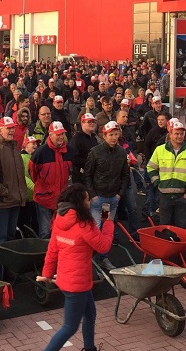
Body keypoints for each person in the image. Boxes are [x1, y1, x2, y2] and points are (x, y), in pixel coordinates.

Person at [24, 184, 113, 351]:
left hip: (68, 278)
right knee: (69, 327)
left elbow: (53, 250)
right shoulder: (84, 224)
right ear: (80, 203)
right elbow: (104, 246)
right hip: (77, 283)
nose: (89, 202)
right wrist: (109, 223)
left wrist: (47, 274)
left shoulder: (59, 218)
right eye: (87, 199)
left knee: (90, 314)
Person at [0, 117, 27, 279]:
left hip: (15, 201)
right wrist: (6, 193)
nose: (11, 131)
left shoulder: (14, 147)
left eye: (12, 128)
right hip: (3, 202)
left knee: (9, 240)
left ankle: (7, 273)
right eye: (7, 128)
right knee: (0, 241)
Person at [83, 121, 130, 271]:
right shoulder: (95, 152)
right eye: (111, 135)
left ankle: (102, 259)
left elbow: (125, 175)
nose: (114, 137)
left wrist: (119, 194)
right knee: (96, 230)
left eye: (116, 134)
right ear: (104, 135)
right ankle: (89, 261)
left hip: (112, 199)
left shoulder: (122, 153)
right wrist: (93, 195)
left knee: (106, 230)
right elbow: (88, 174)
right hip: (99, 198)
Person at [147, 119, 186, 228]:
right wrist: (158, 183)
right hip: (164, 196)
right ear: (170, 134)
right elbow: (151, 168)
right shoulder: (159, 150)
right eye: (176, 133)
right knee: (164, 226)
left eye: (181, 134)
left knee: (181, 227)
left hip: (182, 196)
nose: (179, 136)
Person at [29, 121, 74, 239]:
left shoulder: (69, 150)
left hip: (61, 198)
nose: (60, 137)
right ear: (50, 134)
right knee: (45, 231)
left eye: (62, 134)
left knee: (60, 230)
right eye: (57, 134)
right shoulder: (40, 152)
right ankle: (45, 256)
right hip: (44, 198)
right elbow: (33, 172)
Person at [68, 113, 99, 185]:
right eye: (89, 122)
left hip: (92, 176)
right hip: (80, 178)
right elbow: (73, 158)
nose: (92, 124)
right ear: (82, 123)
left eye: (93, 122)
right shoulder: (76, 139)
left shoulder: (94, 138)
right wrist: (89, 163)